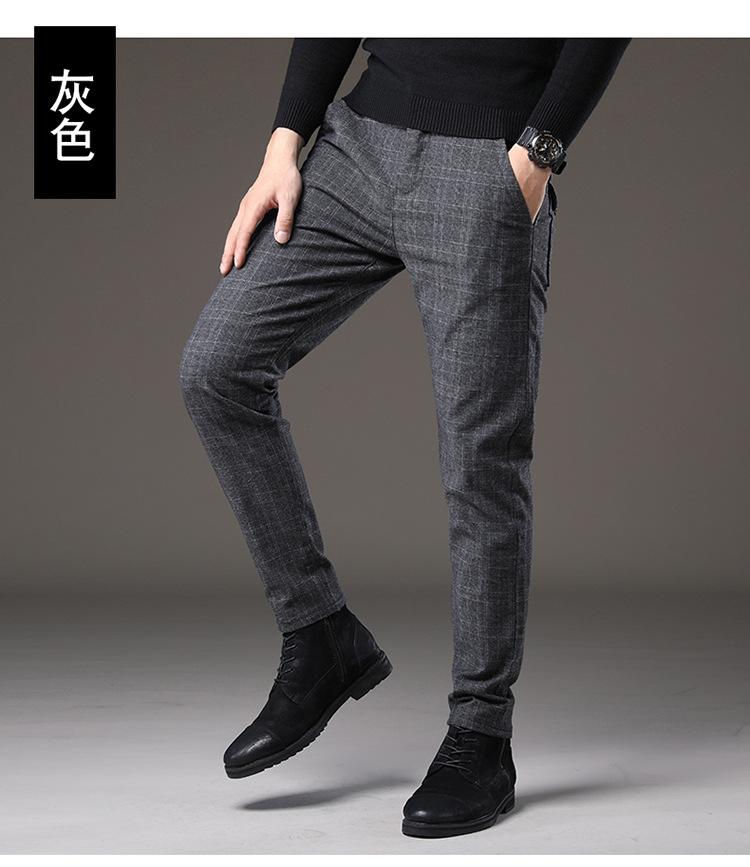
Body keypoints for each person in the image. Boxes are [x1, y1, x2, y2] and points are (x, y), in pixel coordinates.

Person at [179, 37, 630, 838]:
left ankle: (481, 736)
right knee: (218, 368)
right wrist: (285, 141)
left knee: (481, 462)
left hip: (488, 157)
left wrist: (539, 152)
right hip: (357, 141)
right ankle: (320, 632)